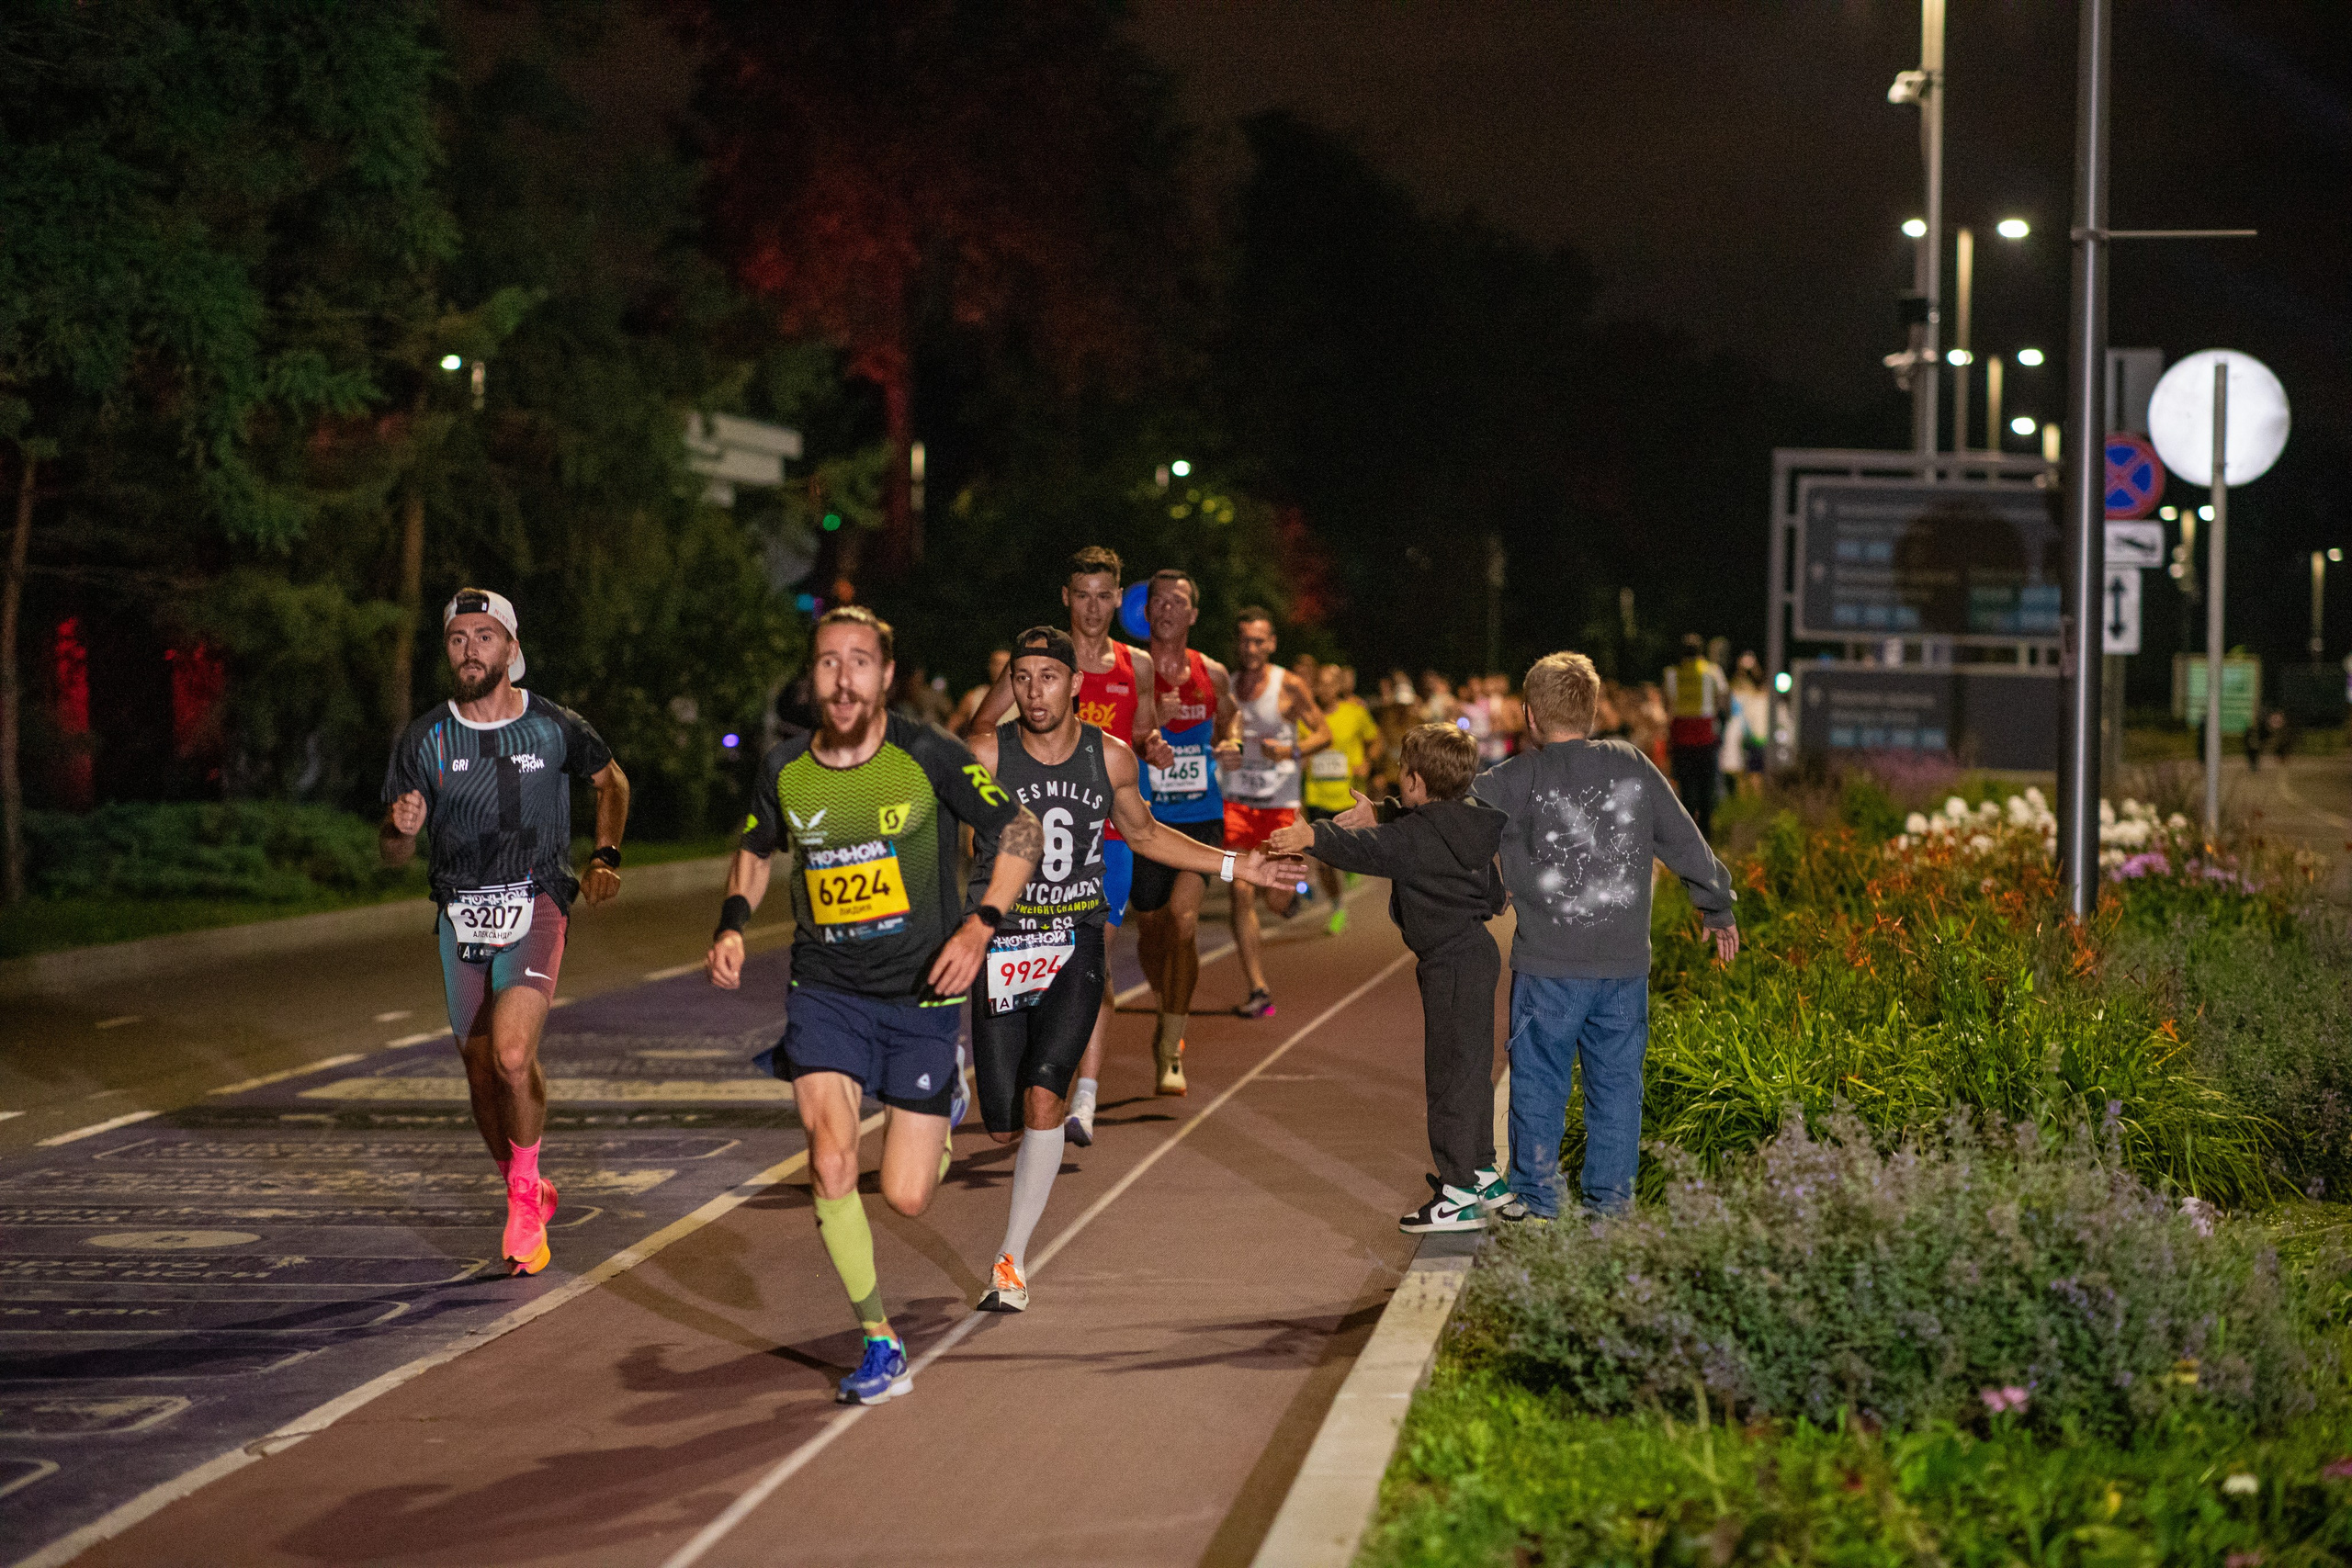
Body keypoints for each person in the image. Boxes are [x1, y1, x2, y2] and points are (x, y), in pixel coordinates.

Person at [706, 605, 1043, 1405]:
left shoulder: (926, 753)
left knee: (907, 1196)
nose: (843, 677)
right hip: (825, 992)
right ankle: (878, 1338)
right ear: (812, 676)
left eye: (860, 661)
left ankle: (947, 1087)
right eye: (828, 662)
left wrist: (981, 920)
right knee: (828, 1158)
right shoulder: (786, 767)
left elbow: (1018, 828)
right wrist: (732, 921)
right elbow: (757, 846)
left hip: (921, 993)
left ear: (886, 675)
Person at [966, 626, 1303, 1313]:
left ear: (1074, 684)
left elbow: (1147, 834)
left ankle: (1011, 1259)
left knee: (1043, 1097)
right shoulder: (983, 755)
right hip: (1005, 950)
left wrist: (1243, 862)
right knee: (1001, 1122)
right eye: (1021, 678)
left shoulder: (1111, 757)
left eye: (1048, 677)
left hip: (1076, 939)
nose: (1035, 692)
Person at [381, 588, 630, 1277]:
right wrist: (400, 831)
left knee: (513, 1057)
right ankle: (522, 1181)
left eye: (484, 636)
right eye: (458, 638)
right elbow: (394, 850)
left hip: (536, 898)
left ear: (511, 649)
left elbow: (613, 782)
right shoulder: (427, 738)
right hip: (460, 910)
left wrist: (605, 854)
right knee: (479, 1065)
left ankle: (524, 1196)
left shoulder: (553, 726)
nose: (470, 650)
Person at [1473, 651, 1737, 1222]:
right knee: (1616, 1093)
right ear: (1594, 712)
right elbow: (1684, 840)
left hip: (1547, 968)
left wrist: (1385, 818)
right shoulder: (1633, 764)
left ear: (1529, 716)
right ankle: (1610, 1210)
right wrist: (1715, 904)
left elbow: (1447, 815)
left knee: (1539, 1085)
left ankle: (1540, 1203)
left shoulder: (1516, 777)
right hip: (1622, 970)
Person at [964, 546, 1172, 1146]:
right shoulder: (1037, 660)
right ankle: (1038, 1069)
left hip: (1108, 839)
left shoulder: (1137, 666)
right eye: (1081, 594)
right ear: (1067, 596)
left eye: (1103, 595)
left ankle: (1080, 1089)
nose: (1092, 606)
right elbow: (980, 729)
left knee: (1089, 954)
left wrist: (1154, 748)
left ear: (1117, 598)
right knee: (1040, 952)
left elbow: (1140, 736)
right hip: (1033, 839)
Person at [1270, 723, 1512, 1232]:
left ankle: (1458, 1192)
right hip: (1476, 953)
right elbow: (1486, 889)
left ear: (1417, 783)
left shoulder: (1414, 837)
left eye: (1403, 775)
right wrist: (1381, 812)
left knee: (1447, 1076)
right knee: (1469, 1069)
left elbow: (1371, 851)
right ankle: (1485, 1172)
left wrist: (1312, 834)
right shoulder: (1468, 822)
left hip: (1448, 962)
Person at [1127, 570, 1238, 1094]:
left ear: (1193, 614)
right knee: (1151, 929)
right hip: (1145, 818)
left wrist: (1231, 743)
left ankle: (1172, 1044)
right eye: (1159, 600)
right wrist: (1145, 727)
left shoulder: (1211, 672)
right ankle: (1166, 1006)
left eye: (1180, 601)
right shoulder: (1129, 669)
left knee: (1183, 919)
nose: (1168, 608)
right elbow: (1102, 734)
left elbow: (1230, 720)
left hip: (1202, 816)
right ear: (1146, 612)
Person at [1220, 607, 1330, 1019]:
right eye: (1245, 640)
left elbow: (1324, 733)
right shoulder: (1227, 686)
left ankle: (1289, 901)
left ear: (1271, 643)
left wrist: (1291, 750)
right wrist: (1225, 748)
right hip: (1238, 803)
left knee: (1275, 899)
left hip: (1281, 804)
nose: (1251, 648)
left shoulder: (1291, 685)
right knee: (1239, 889)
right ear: (1238, 643)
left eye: (1259, 641)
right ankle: (1258, 987)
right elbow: (1220, 735)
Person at [1303, 664, 1383, 933]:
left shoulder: (1355, 713)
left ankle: (1351, 865)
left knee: (1346, 850)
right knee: (1324, 859)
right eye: (1320, 684)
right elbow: (1300, 752)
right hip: (1317, 796)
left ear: (1338, 687)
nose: (1324, 689)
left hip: (1348, 795)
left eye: (1329, 684)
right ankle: (1337, 907)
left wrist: (1368, 762)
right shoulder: (1307, 718)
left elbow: (1375, 740)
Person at [1663, 633, 1727, 836]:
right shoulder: (1713, 672)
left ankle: (1688, 832)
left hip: (1681, 737)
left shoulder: (1671, 674)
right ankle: (1707, 833)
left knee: (1686, 787)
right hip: (1706, 736)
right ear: (1701, 652)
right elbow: (1723, 700)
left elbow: (1667, 705)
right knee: (1706, 787)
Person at [1729, 652, 1770, 795]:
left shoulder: (1761, 692)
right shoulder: (1739, 690)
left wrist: (1752, 668)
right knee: (1742, 771)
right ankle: (1746, 803)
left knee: (1756, 771)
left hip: (1758, 735)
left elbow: (1759, 681)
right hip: (1744, 735)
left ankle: (1754, 802)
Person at [948, 648, 1012, 736]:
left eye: (1004, 665)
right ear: (989, 666)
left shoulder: (1022, 699)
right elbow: (950, 728)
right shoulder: (973, 697)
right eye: (996, 663)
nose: (999, 669)